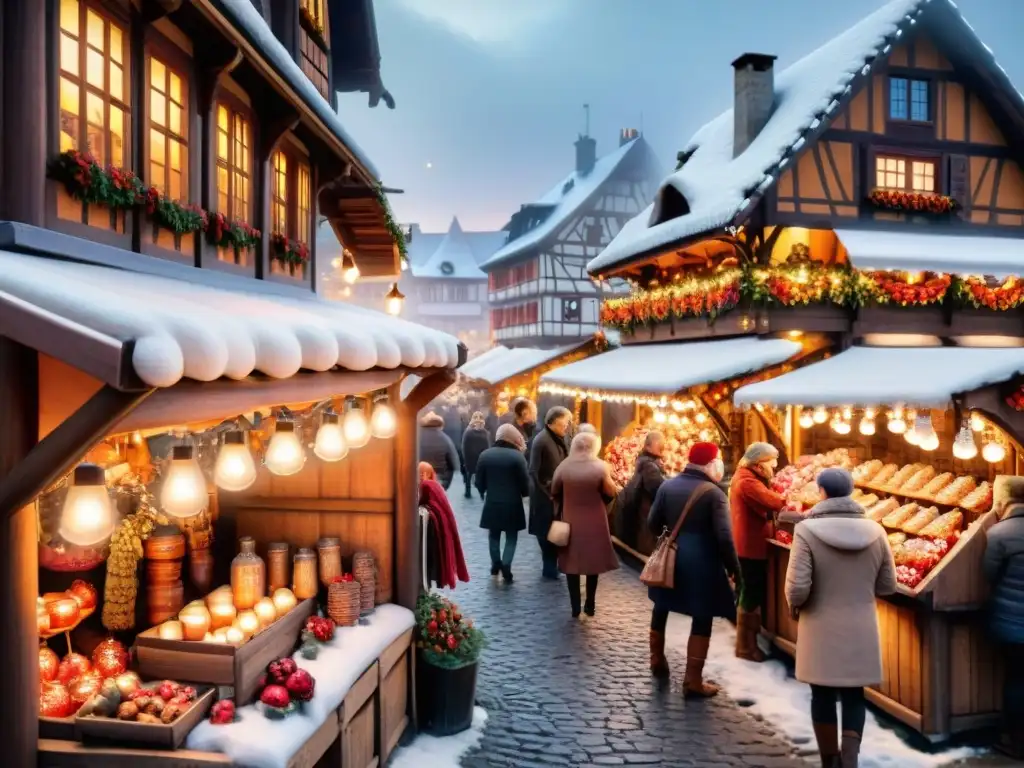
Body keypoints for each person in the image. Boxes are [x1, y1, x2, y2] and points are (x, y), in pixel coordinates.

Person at [786, 468, 896, 768]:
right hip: (862, 624)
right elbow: (888, 585)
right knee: (854, 695)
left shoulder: (806, 531)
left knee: (821, 695)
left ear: (821, 491)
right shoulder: (876, 531)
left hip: (820, 624)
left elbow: (797, 589)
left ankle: (828, 760)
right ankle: (850, 760)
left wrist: (795, 606)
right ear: (851, 492)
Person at [647, 442, 738, 698]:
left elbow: (652, 523)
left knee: (661, 606)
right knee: (702, 616)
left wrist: (670, 540)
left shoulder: (667, 485)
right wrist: (734, 569)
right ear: (711, 463)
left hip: (671, 559)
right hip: (702, 563)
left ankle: (656, 660)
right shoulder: (714, 493)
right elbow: (724, 537)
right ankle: (693, 680)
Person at [730, 442, 787, 662]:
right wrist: (789, 497)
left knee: (748, 592)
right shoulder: (747, 481)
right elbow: (773, 501)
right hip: (750, 546)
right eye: (772, 460)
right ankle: (745, 646)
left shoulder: (745, 477)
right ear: (760, 461)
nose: (774, 464)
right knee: (750, 594)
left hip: (749, 544)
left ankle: (746, 642)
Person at [552, 431, 619, 617]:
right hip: (595, 521)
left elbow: (554, 489)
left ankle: (575, 606)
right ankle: (590, 603)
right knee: (592, 564)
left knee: (571, 563)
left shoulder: (564, 466)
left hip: (570, 519)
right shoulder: (600, 467)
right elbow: (610, 491)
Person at [984, 475, 1024, 759]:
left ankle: (1014, 742)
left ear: (1003, 502)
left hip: (1012, 625)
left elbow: (988, 575)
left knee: (1017, 680)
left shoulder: (999, 533)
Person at [475, 423, 530, 582]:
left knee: (493, 535)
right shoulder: (518, 457)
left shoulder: (485, 455)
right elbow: (524, 482)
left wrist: (483, 490)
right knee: (511, 536)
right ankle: (506, 565)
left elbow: (479, 481)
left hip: (492, 501)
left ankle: (495, 563)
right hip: (513, 503)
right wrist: (525, 494)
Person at [529, 406, 572, 579]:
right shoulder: (542, 440)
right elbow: (534, 471)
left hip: (555, 494)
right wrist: (548, 491)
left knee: (555, 531)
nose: (567, 426)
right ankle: (549, 567)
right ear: (554, 421)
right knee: (545, 532)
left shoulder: (558, 438)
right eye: (565, 422)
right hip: (545, 497)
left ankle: (552, 565)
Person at [625, 431, 667, 554]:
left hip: (641, 512)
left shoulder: (644, 461)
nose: (662, 446)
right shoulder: (650, 466)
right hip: (646, 511)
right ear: (648, 446)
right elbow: (657, 488)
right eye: (659, 443)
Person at [419, 411, 460, 490]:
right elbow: (453, 462)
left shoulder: (416, 438)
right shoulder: (445, 438)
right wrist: (446, 484)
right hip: (439, 478)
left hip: (419, 477)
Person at [461, 412, 492, 499]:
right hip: (473, 457)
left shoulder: (469, 432)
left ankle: (475, 491)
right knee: (473, 474)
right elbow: (465, 445)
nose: (478, 421)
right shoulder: (483, 433)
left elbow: (487, 445)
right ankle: (474, 491)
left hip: (475, 457)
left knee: (471, 474)